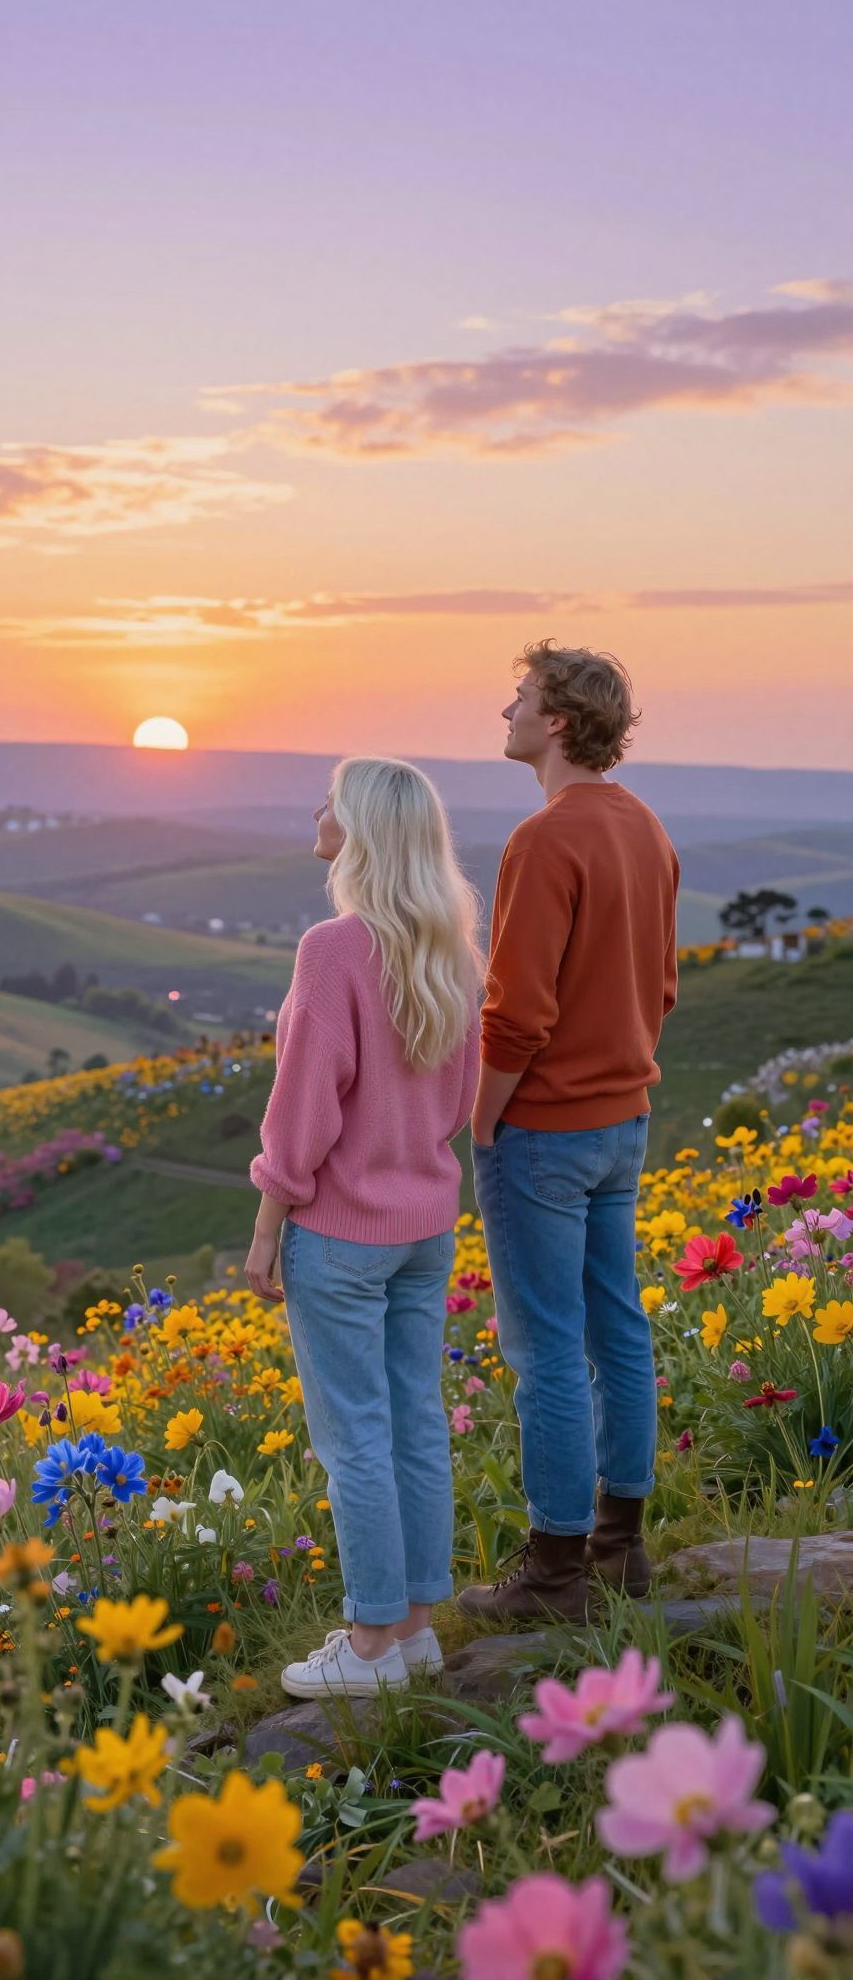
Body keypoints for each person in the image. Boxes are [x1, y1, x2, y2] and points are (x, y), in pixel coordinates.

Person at [245, 756, 483, 1697]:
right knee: (416, 1421)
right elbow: (458, 1101)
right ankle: (417, 1625)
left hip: (341, 1233)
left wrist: (269, 1220)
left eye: (333, 804)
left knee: (353, 1438)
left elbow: (301, 1110)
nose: (317, 812)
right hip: (426, 1224)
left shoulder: (335, 948)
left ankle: (372, 1641)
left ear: (366, 832)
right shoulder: (455, 949)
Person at [458, 641, 680, 1626]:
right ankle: (620, 1549)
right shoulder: (647, 829)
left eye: (520, 696)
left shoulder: (543, 840)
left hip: (544, 1129)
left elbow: (514, 1014)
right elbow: (662, 985)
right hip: (623, 1118)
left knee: (545, 1348)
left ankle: (553, 1575)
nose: (504, 707)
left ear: (557, 721)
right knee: (617, 1327)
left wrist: (480, 1117)